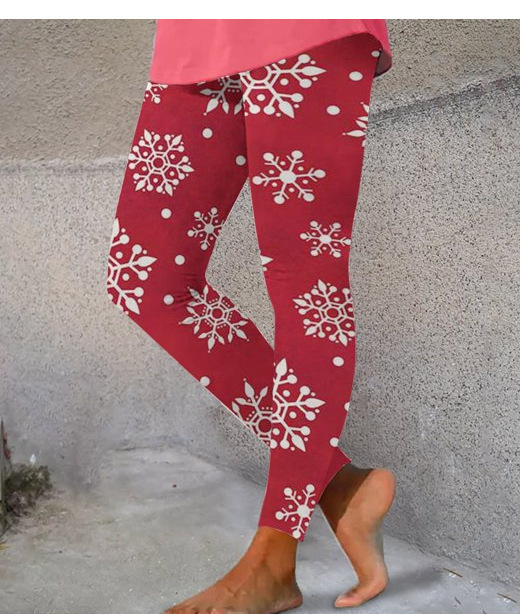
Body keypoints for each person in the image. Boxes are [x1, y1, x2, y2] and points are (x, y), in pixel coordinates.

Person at [107, 18, 397, 613]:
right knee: (145, 280)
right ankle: (339, 483)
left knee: (305, 283)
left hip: (308, 28)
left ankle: (273, 561)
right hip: (194, 41)